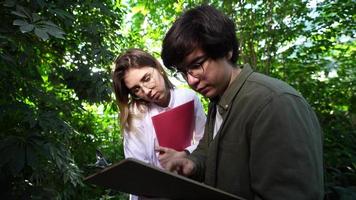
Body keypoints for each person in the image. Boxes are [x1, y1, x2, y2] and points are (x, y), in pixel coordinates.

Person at [161, 5, 324, 200]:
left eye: (197, 65)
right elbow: (208, 151)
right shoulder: (219, 99)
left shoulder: (274, 104)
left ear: (226, 50)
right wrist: (191, 163)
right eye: (184, 72)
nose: (191, 80)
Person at [112, 49, 206, 200]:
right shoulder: (135, 116)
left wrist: (185, 153)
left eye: (147, 78)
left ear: (158, 68)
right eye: (136, 89)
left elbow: (206, 141)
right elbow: (137, 171)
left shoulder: (189, 97)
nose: (146, 91)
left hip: (193, 183)